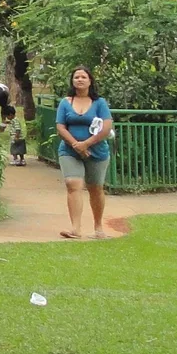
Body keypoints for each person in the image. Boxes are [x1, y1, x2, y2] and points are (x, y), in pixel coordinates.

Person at [55, 65, 113, 239]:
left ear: (90, 81)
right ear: (72, 81)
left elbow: (106, 127)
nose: (79, 80)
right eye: (76, 77)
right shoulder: (65, 103)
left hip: (97, 152)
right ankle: (75, 229)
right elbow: (60, 126)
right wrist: (75, 145)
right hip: (69, 151)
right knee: (73, 185)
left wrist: (87, 144)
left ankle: (98, 227)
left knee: (95, 188)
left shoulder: (99, 103)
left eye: (83, 77)